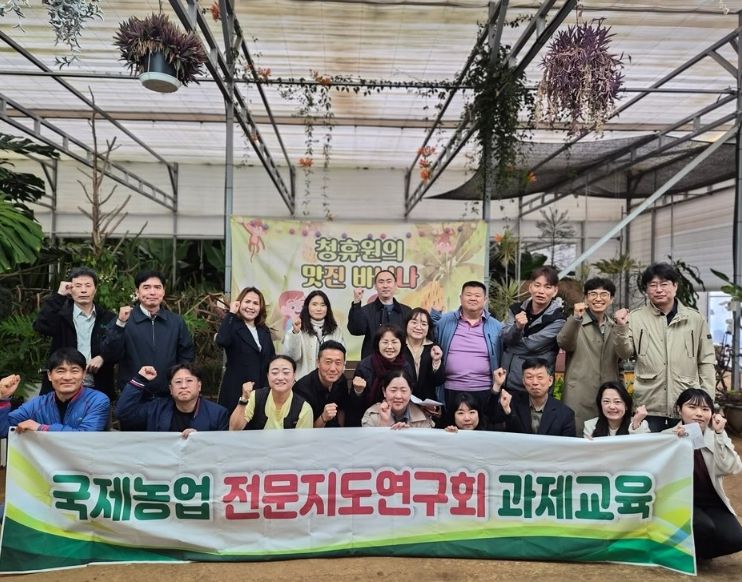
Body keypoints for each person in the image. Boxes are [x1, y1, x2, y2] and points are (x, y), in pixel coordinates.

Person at [614, 262, 716, 432]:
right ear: (646, 290)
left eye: (664, 284)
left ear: (675, 286)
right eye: (653, 285)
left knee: (688, 447)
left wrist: (707, 401)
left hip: (687, 403)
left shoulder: (695, 319)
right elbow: (624, 353)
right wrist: (621, 328)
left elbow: (706, 361)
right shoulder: (636, 318)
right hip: (649, 405)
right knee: (649, 447)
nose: (659, 289)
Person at [665, 388, 742, 561]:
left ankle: (695, 554)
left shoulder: (716, 435)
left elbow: (732, 467)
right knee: (703, 527)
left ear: (712, 414)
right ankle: (680, 551)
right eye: (692, 407)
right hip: (682, 502)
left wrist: (720, 434)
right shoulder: (667, 437)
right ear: (679, 409)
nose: (699, 413)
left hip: (712, 501)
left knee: (736, 539)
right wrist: (676, 442)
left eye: (705, 409)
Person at [101, 269, 194, 400]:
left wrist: (177, 383)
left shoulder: (176, 322)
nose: (152, 292)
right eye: (146, 287)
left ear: (163, 291)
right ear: (137, 292)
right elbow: (110, 355)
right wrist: (120, 324)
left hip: (168, 396)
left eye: (157, 287)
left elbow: (186, 356)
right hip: (133, 395)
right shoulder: (123, 320)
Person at [33, 267, 117, 399]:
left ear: (95, 289)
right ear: (70, 289)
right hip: (63, 384)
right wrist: (59, 295)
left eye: (88, 285)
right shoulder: (61, 316)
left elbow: (119, 347)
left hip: (98, 385)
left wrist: (103, 357)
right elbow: (41, 326)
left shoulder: (108, 318)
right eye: (78, 286)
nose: (83, 290)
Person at [557, 277, 627, 434]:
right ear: (585, 298)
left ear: (611, 299)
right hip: (578, 395)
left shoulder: (615, 326)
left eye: (604, 294)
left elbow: (621, 361)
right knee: (577, 438)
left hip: (608, 397)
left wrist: (621, 391)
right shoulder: (576, 322)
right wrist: (576, 318)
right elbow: (563, 343)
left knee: (606, 440)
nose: (598, 298)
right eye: (593, 294)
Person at [432, 281, 502, 422]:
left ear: (485, 300)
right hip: (450, 389)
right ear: (461, 298)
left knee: (482, 431)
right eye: (468, 294)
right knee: (449, 430)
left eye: (477, 295)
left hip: (483, 389)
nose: (473, 298)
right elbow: (428, 334)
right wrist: (434, 315)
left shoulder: (496, 326)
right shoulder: (445, 321)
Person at [0, 347, 110, 434]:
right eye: (60, 371)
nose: (67, 377)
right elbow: (4, 430)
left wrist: (41, 428)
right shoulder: (38, 404)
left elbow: (87, 436)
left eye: (74, 371)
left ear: (84, 374)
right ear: (49, 375)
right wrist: (2, 398)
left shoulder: (97, 400)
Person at [115, 364, 229, 437]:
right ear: (170, 389)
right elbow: (123, 413)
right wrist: (139, 380)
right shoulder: (156, 409)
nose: (183, 386)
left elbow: (222, 450)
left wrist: (199, 440)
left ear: (199, 386)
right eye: (178, 382)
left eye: (189, 381)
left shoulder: (217, 414)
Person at [501, 265, 566, 392]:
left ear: (555, 291)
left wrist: (509, 346)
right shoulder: (515, 309)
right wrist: (517, 327)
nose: (541, 291)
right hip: (506, 382)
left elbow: (530, 345)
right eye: (537, 285)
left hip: (535, 388)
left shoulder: (558, 320)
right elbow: (506, 337)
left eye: (547, 287)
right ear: (530, 287)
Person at [215, 286, 275, 412]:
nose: (251, 307)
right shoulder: (232, 325)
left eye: (255, 303)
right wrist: (231, 313)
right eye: (247, 302)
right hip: (236, 389)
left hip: (261, 390)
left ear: (260, 307)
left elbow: (271, 358)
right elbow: (221, 340)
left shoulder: (263, 330)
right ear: (239, 303)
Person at [347, 324, 414, 427]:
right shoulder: (364, 366)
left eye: (394, 342)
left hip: (398, 420)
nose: (390, 347)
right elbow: (353, 403)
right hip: (367, 419)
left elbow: (410, 394)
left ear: (401, 344)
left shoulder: (406, 366)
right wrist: (358, 391)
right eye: (385, 342)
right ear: (377, 344)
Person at [489, 358, 576, 437]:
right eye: (529, 377)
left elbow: (567, 446)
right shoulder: (512, 402)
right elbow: (491, 417)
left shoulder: (565, 414)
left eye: (540, 377)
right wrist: (497, 385)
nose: (535, 382)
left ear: (550, 381)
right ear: (523, 381)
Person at [229, 355, 313, 430]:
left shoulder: (304, 408)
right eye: (274, 373)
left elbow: (302, 441)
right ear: (268, 376)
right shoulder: (255, 397)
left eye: (286, 373)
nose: (280, 377)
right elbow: (234, 429)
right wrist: (244, 399)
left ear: (294, 376)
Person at [348, 269, 412, 359]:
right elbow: (356, 330)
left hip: (399, 362)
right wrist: (356, 302)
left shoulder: (406, 311)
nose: (385, 286)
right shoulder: (366, 310)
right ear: (375, 286)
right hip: (372, 362)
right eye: (381, 282)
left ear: (395, 285)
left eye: (389, 281)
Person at [283, 290, 345, 379]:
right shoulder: (297, 328)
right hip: (303, 380)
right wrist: (296, 333)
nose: (319, 308)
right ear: (307, 307)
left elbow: (342, 356)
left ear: (327, 308)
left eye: (323, 305)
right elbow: (292, 358)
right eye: (314, 304)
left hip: (329, 380)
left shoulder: (335, 330)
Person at [293, 340, 348, 428]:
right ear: (318, 363)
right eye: (328, 362)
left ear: (344, 365)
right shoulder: (302, 389)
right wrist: (323, 417)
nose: (333, 369)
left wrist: (341, 431)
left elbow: (341, 409)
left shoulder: (341, 380)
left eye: (338, 363)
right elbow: (304, 430)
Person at [361, 370, 434, 429]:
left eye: (403, 390)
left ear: (410, 392)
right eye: (393, 390)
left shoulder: (422, 418)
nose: (398, 396)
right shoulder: (372, 416)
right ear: (384, 392)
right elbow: (369, 442)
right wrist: (384, 425)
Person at [402, 308, 444, 401]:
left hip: (427, 404)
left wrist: (436, 361)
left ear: (428, 327)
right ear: (406, 324)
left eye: (424, 324)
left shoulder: (435, 349)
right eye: (414, 322)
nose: (418, 327)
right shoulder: (398, 347)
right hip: (401, 401)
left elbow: (439, 381)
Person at [583, 381, 650, 438]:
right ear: (600, 405)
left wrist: (635, 424)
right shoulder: (590, 426)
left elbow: (642, 447)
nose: (612, 407)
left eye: (617, 401)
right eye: (606, 401)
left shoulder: (641, 425)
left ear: (626, 405)